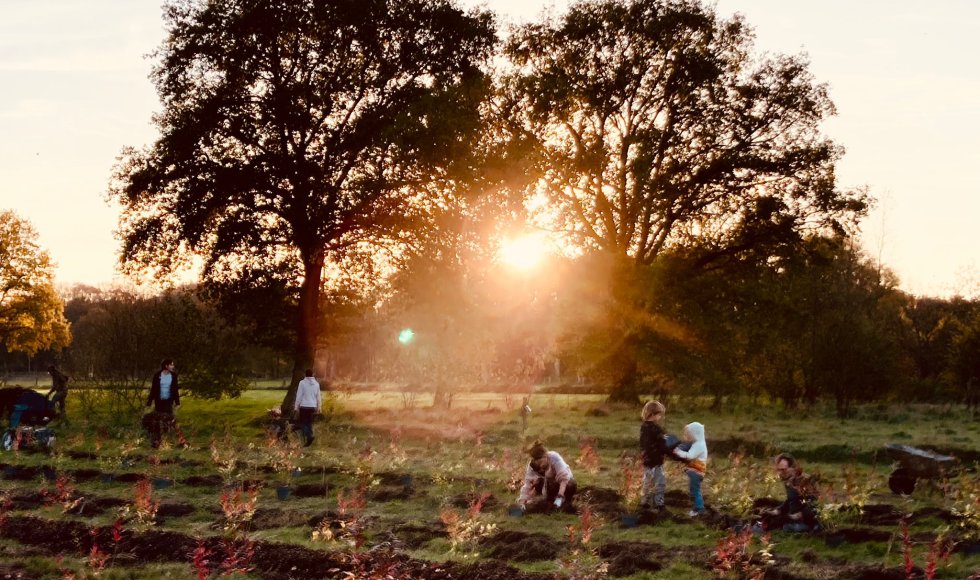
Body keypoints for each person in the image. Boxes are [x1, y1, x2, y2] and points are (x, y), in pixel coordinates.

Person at [764, 453, 820, 532]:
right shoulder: (788, 480)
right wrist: (778, 510)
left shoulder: (805, 480)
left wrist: (798, 515)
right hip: (793, 516)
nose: (780, 473)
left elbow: (814, 504)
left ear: (792, 468)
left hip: (807, 519)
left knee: (787, 527)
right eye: (778, 470)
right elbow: (791, 499)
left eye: (783, 470)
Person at [517, 441, 577, 513]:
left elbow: (564, 478)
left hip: (565, 484)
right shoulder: (532, 465)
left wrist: (560, 496)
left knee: (571, 484)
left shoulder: (554, 457)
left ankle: (565, 502)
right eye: (538, 464)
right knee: (540, 482)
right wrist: (522, 501)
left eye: (541, 462)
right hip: (549, 486)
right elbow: (527, 484)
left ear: (545, 456)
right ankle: (549, 503)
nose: (540, 466)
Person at [639, 400, 671, 511]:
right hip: (657, 460)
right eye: (659, 414)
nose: (660, 417)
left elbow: (643, 444)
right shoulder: (657, 429)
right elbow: (663, 445)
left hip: (647, 459)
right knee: (660, 482)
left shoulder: (643, 427)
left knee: (647, 481)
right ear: (653, 414)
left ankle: (644, 502)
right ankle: (659, 503)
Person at [673, 421, 708, 517]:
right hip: (695, 472)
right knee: (694, 490)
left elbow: (689, 456)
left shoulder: (699, 445)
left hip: (697, 472)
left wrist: (678, 451)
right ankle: (697, 508)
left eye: (688, 434)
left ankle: (699, 509)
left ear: (695, 434)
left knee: (695, 490)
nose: (686, 436)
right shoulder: (698, 443)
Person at [146, 359, 180, 448]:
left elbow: (175, 390)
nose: (173, 367)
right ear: (166, 366)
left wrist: (177, 402)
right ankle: (157, 441)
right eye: (171, 365)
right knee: (157, 421)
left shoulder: (174, 376)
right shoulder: (157, 375)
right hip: (159, 401)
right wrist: (149, 402)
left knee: (169, 420)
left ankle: (168, 440)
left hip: (169, 401)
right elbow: (153, 389)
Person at [294, 369, 321, 447]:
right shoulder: (316, 384)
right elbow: (318, 397)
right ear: (313, 374)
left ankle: (310, 436)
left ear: (305, 374)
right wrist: (319, 407)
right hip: (313, 406)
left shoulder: (302, 383)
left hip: (304, 406)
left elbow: (299, 395)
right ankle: (308, 442)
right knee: (309, 424)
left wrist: (296, 407)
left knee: (302, 424)